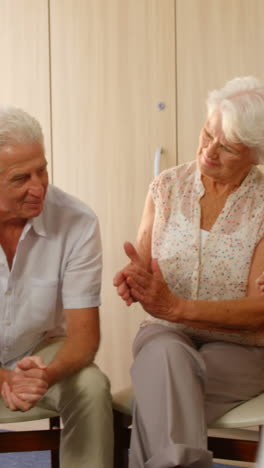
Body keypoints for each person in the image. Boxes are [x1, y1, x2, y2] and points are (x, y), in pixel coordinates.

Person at [114, 76, 264, 468]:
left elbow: (258, 311)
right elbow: (144, 265)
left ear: (256, 154)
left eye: (228, 146)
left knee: (160, 387)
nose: (209, 151)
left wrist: (177, 307)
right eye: (207, 133)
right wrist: (135, 279)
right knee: (165, 355)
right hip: (165, 336)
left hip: (241, 350)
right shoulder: (164, 187)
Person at [0, 107, 113, 468]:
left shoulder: (77, 221)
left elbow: (84, 338)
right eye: (21, 178)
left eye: (43, 169)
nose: (39, 187)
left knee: (92, 388)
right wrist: (4, 378)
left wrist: (43, 375)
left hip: (40, 351)